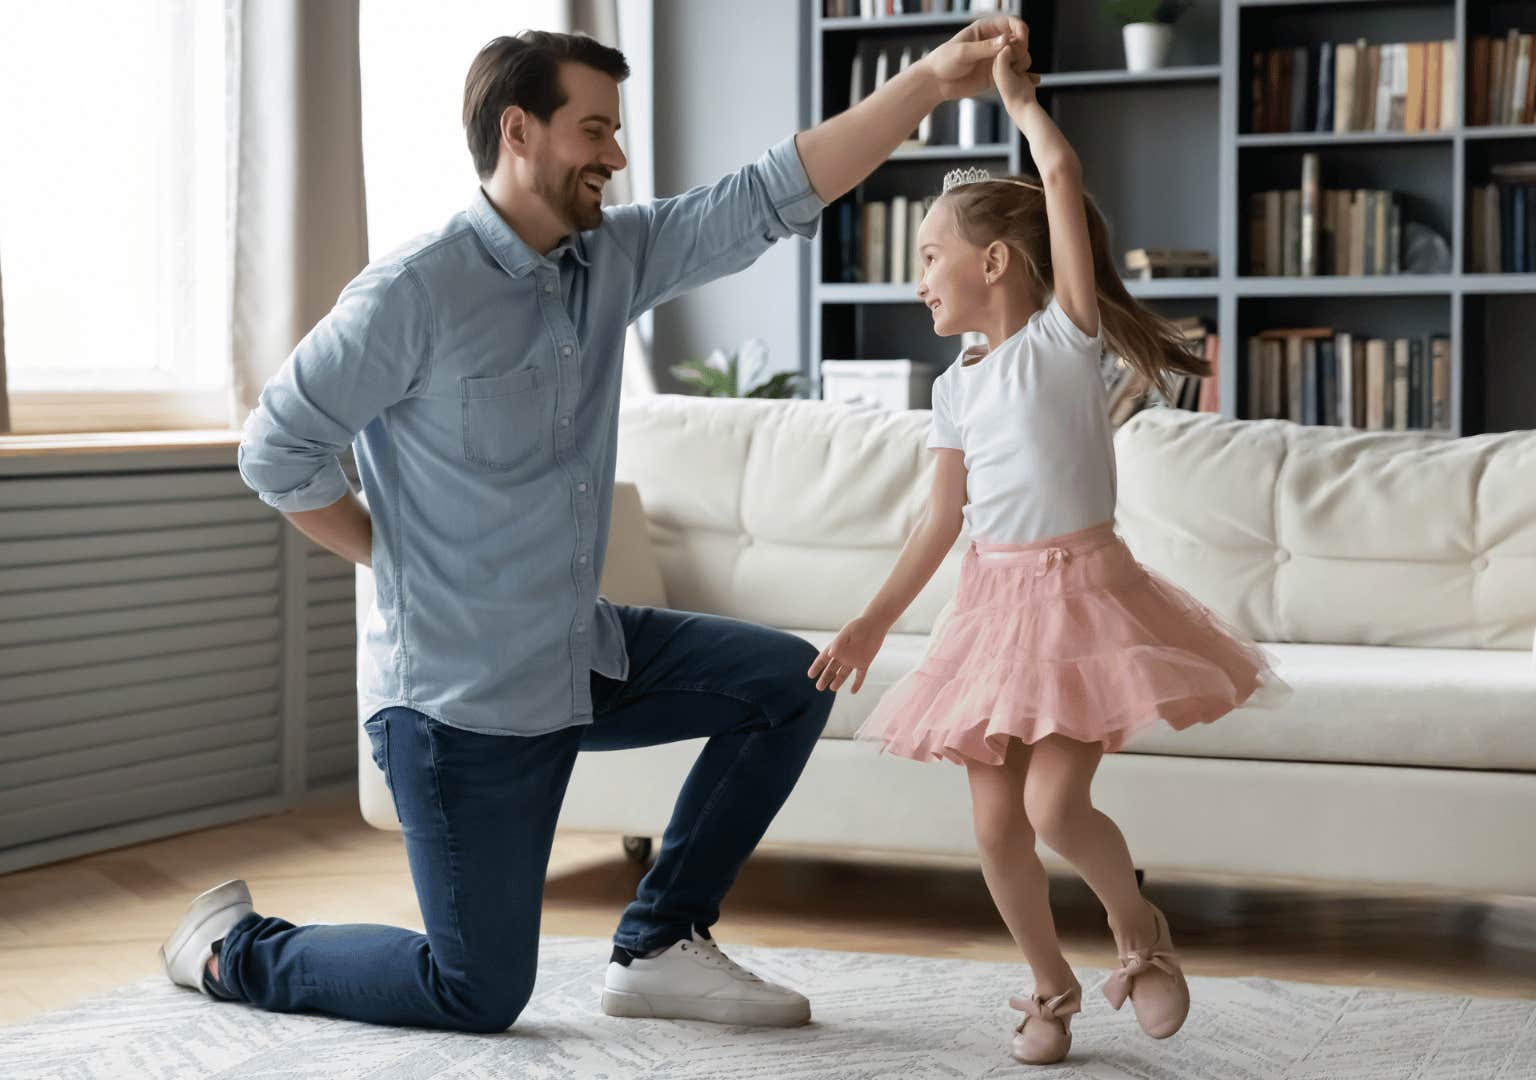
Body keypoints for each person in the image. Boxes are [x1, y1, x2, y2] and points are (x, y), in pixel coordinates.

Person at [164, 18, 1036, 1034]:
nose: (616, 158)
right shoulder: (413, 293)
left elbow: (771, 192)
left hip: (580, 654)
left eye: (618, 132)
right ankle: (233, 950)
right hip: (460, 706)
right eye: (595, 130)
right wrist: (398, 559)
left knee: (786, 687)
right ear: (519, 130)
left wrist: (930, 81)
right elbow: (276, 450)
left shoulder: (610, 258)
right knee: (477, 991)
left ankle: (661, 941)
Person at [808, 33, 1287, 1067]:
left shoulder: (1066, 345)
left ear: (994, 263)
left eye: (927, 256)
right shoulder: (954, 388)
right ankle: (1048, 988)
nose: (916, 280)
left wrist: (1019, 102)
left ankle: (1140, 938)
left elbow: (1062, 174)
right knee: (993, 830)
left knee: (1054, 804)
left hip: (1084, 603)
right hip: (991, 614)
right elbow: (941, 522)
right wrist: (870, 621)